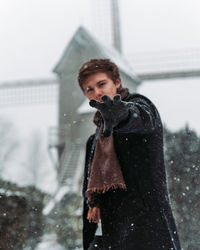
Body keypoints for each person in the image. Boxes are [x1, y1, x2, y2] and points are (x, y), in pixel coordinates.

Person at [78, 58, 181, 250]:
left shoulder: (140, 106)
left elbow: (141, 117)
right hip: (108, 238)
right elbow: (88, 198)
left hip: (147, 233)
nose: (97, 92)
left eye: (102, 84)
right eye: (89, 89)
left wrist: (121, 115)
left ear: (117, 82)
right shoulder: (94, 141)